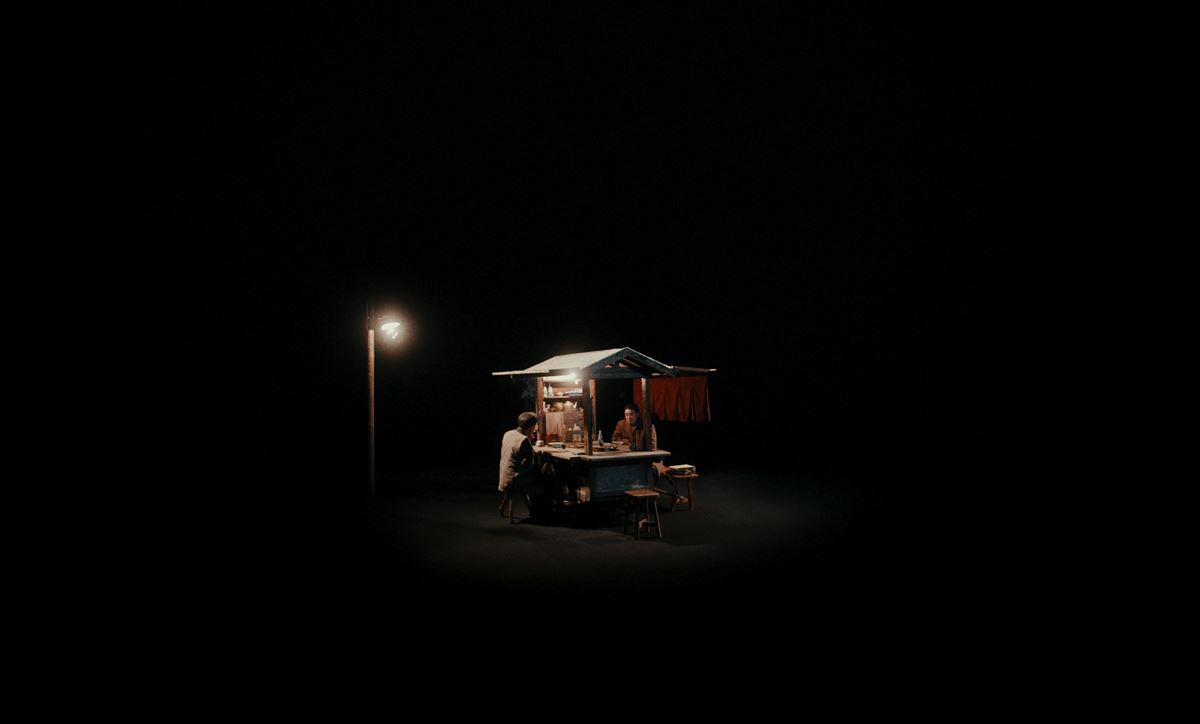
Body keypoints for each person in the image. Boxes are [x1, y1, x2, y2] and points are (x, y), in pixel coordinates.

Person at [498, 412, 543, 520]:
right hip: (515, 481)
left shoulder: (508, 433)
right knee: (546, 477)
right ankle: (542, 511)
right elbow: (529, 464)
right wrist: (529, 443)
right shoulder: (523, 440)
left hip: (504, 478)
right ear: (532, 427)